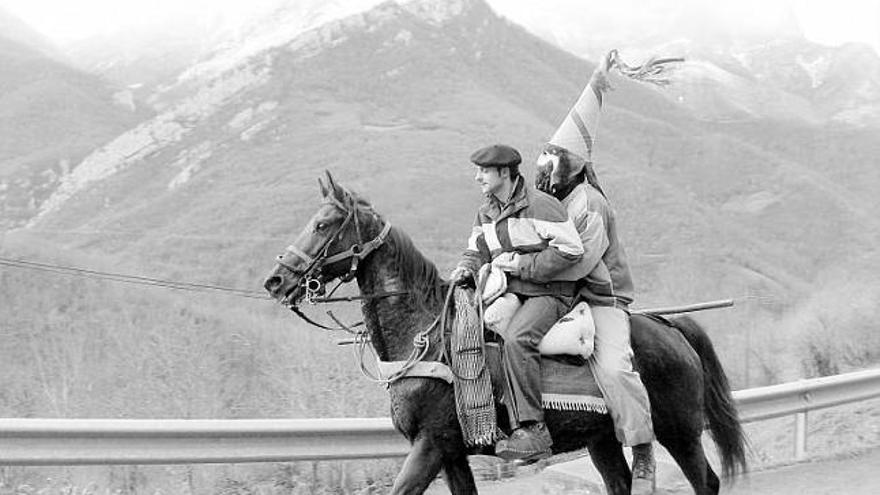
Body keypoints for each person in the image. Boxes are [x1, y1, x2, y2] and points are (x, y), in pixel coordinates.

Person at [535, 52, 659, 493]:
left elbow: (581, 262)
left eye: (553, 159)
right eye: (545, 157)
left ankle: (642, 451)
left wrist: (531, 273)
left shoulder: (589, 204)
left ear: (574, 164)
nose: (545, 166)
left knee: (614, 369)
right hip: (566, 295)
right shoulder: (555, 204)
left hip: (601, 299)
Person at [450, 143, 586, 462]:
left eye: (483, 171)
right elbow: (477, 249)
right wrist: (465, 268)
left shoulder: (542, 206)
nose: (477, 178)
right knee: (475, 332)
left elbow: (571, 250)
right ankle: (491, 419)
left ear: (504, 172)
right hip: (511, 292)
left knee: (517, 339)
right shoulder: (486, 211)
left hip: (551, 292)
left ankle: (533, 428)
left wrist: (521, 266)